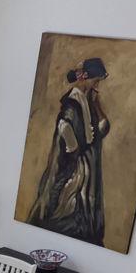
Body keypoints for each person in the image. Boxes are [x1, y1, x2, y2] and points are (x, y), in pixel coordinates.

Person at [28, 56, 111, 244]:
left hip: (87, 163)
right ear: (86, 77)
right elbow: (64, 126)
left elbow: (101, 128)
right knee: (69, 203)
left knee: (84, 205)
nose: (97, 83)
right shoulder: (73, 101)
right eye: (95, 80)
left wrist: (97, 105)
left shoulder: (87, 99)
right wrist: (74, 149)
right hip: (77, 165)